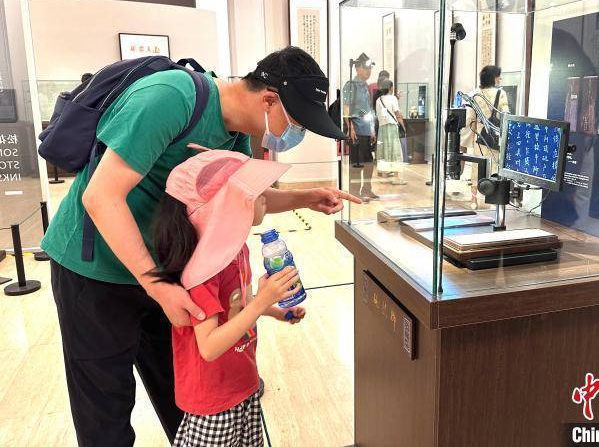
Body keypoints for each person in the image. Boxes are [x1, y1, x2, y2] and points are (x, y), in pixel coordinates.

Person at [42, 46, 360, 446]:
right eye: (296, 123)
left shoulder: (236, 134)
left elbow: (245, 198)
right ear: (268, 100)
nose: (296, 135)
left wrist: (308, 196)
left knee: (187, 397)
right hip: (95, 269)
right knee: (105, 411)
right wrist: (158, 288)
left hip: (169, 269)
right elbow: (101, 197)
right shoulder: (170, 98)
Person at [151, 150, 305, 447]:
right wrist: (261, 302)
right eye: (255, 194)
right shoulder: (202, 272)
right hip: (213, 400)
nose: (265, 198)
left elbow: (239, 304)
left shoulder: (237, 251)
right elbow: (208, 347)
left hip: (242, 382)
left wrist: (274, 309)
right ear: (226, 209)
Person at [460, 65, 510, 205]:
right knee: (495, 167)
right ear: (493, 78)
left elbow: (470, 119)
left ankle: (474, 200)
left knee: (477, 167)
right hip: (496, 137)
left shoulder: (475, 94)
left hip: (480, 138)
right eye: (498, 76)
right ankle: (494, 200)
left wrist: (466, 140)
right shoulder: (501, 93)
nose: (500, 79)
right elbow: (505, 115)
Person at [343, 52, 378, 201]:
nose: (368, 71)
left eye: (369, 68)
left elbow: (368, 110)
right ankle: (354, 192)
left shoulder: (365, 86)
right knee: (356, 164)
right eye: (365, 68)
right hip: (356, 131)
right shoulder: (350, 85)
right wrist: (350, 128)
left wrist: (372, 129)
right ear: (357, 68)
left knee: (369, 163)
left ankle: (367, 190)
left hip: (366, 131)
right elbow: (346, 107)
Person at [374, 79, 406, 185]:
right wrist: (403, 126)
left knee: (384, 151)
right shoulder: (393, 98)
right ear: (391, 88)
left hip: (382, 129)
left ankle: (384, 177)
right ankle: (396, 178)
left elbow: (380, 115)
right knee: (395, 151)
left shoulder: (378, 100)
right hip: (392, 127)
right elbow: (397, 114)